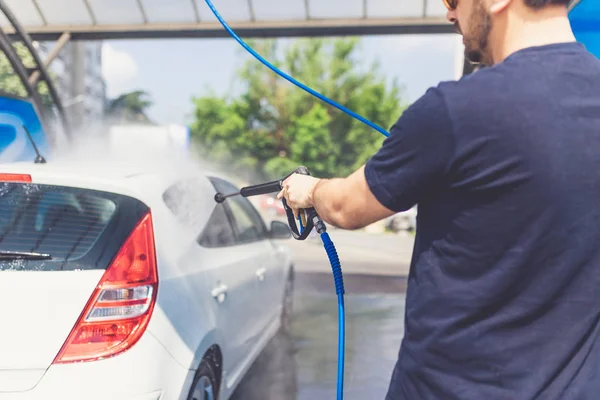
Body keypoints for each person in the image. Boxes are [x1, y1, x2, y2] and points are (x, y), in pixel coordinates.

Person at [278, 0, 600, 398]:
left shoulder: (455, 108)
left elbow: (346, 206)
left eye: (452, 0)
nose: (449, 14)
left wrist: (308, 190)